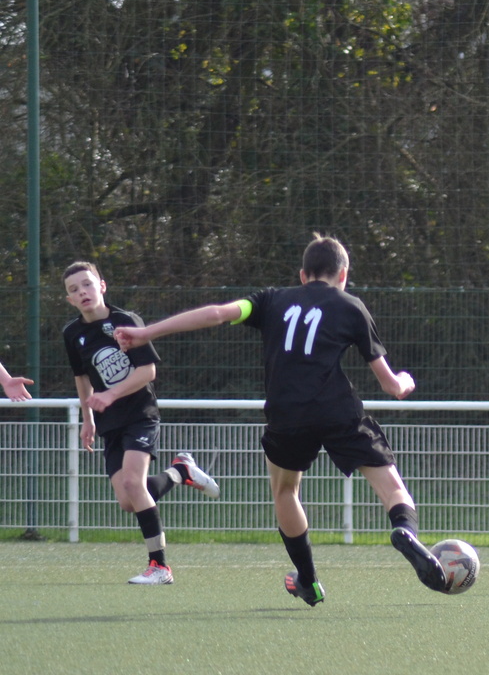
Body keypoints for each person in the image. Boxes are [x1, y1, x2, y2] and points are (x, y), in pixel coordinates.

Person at [114, 235, 445, 606]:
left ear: (302, 275)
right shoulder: (351, 306)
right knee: (392, 487)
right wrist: (405, 381)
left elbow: (217, 313)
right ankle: (403, 530)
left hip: (286, 414)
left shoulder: (270, 300)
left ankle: (309, 580)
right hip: (338, 410)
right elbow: (390, 384)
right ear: (343, 275)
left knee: (286, 492)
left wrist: (145, 332)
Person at [61, 261, 221, 585]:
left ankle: (160, 567)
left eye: (87, 284)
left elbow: (148, 372)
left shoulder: (125, 321)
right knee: (127, 500)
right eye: (74, 290)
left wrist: (111, 394)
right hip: (109, 423)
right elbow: (82, 378)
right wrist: (88, 419)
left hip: (140, 414)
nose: (83, 292)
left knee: (135, 484)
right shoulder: (72, 333)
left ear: (102, 286)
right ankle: (180, 472)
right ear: (69, 299)